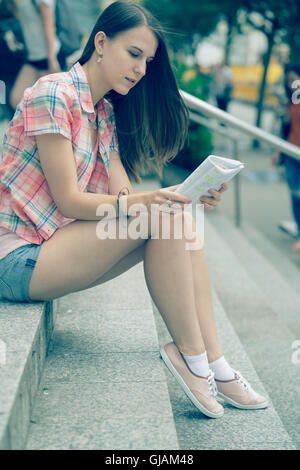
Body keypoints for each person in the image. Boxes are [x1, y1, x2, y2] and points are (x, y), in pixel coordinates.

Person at [0, 0, 267, 419]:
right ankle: (195, 361)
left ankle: (213, 363)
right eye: (134, 54)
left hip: (54, 247)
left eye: (148, 60)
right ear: (101, 42)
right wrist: (150, 203)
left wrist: (186, 192)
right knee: (162, 216)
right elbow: (71, 199)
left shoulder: (102, 111)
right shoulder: (53, 93)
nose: (141, 69)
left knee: (177, 217)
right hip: (17, 257)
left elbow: (123, 193)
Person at [9, 0, 67, 110]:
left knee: (48, 104)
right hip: (32, 56)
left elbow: (49, 25)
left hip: (47, 56)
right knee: (16, 98)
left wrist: (51, 59)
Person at [272, 64, 300, 252]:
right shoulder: (292, 100)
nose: (293, 83)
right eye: (289, 80)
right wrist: (278, 151)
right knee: (294, 193)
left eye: (295, 79)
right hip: (291, 151)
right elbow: (287, 127)